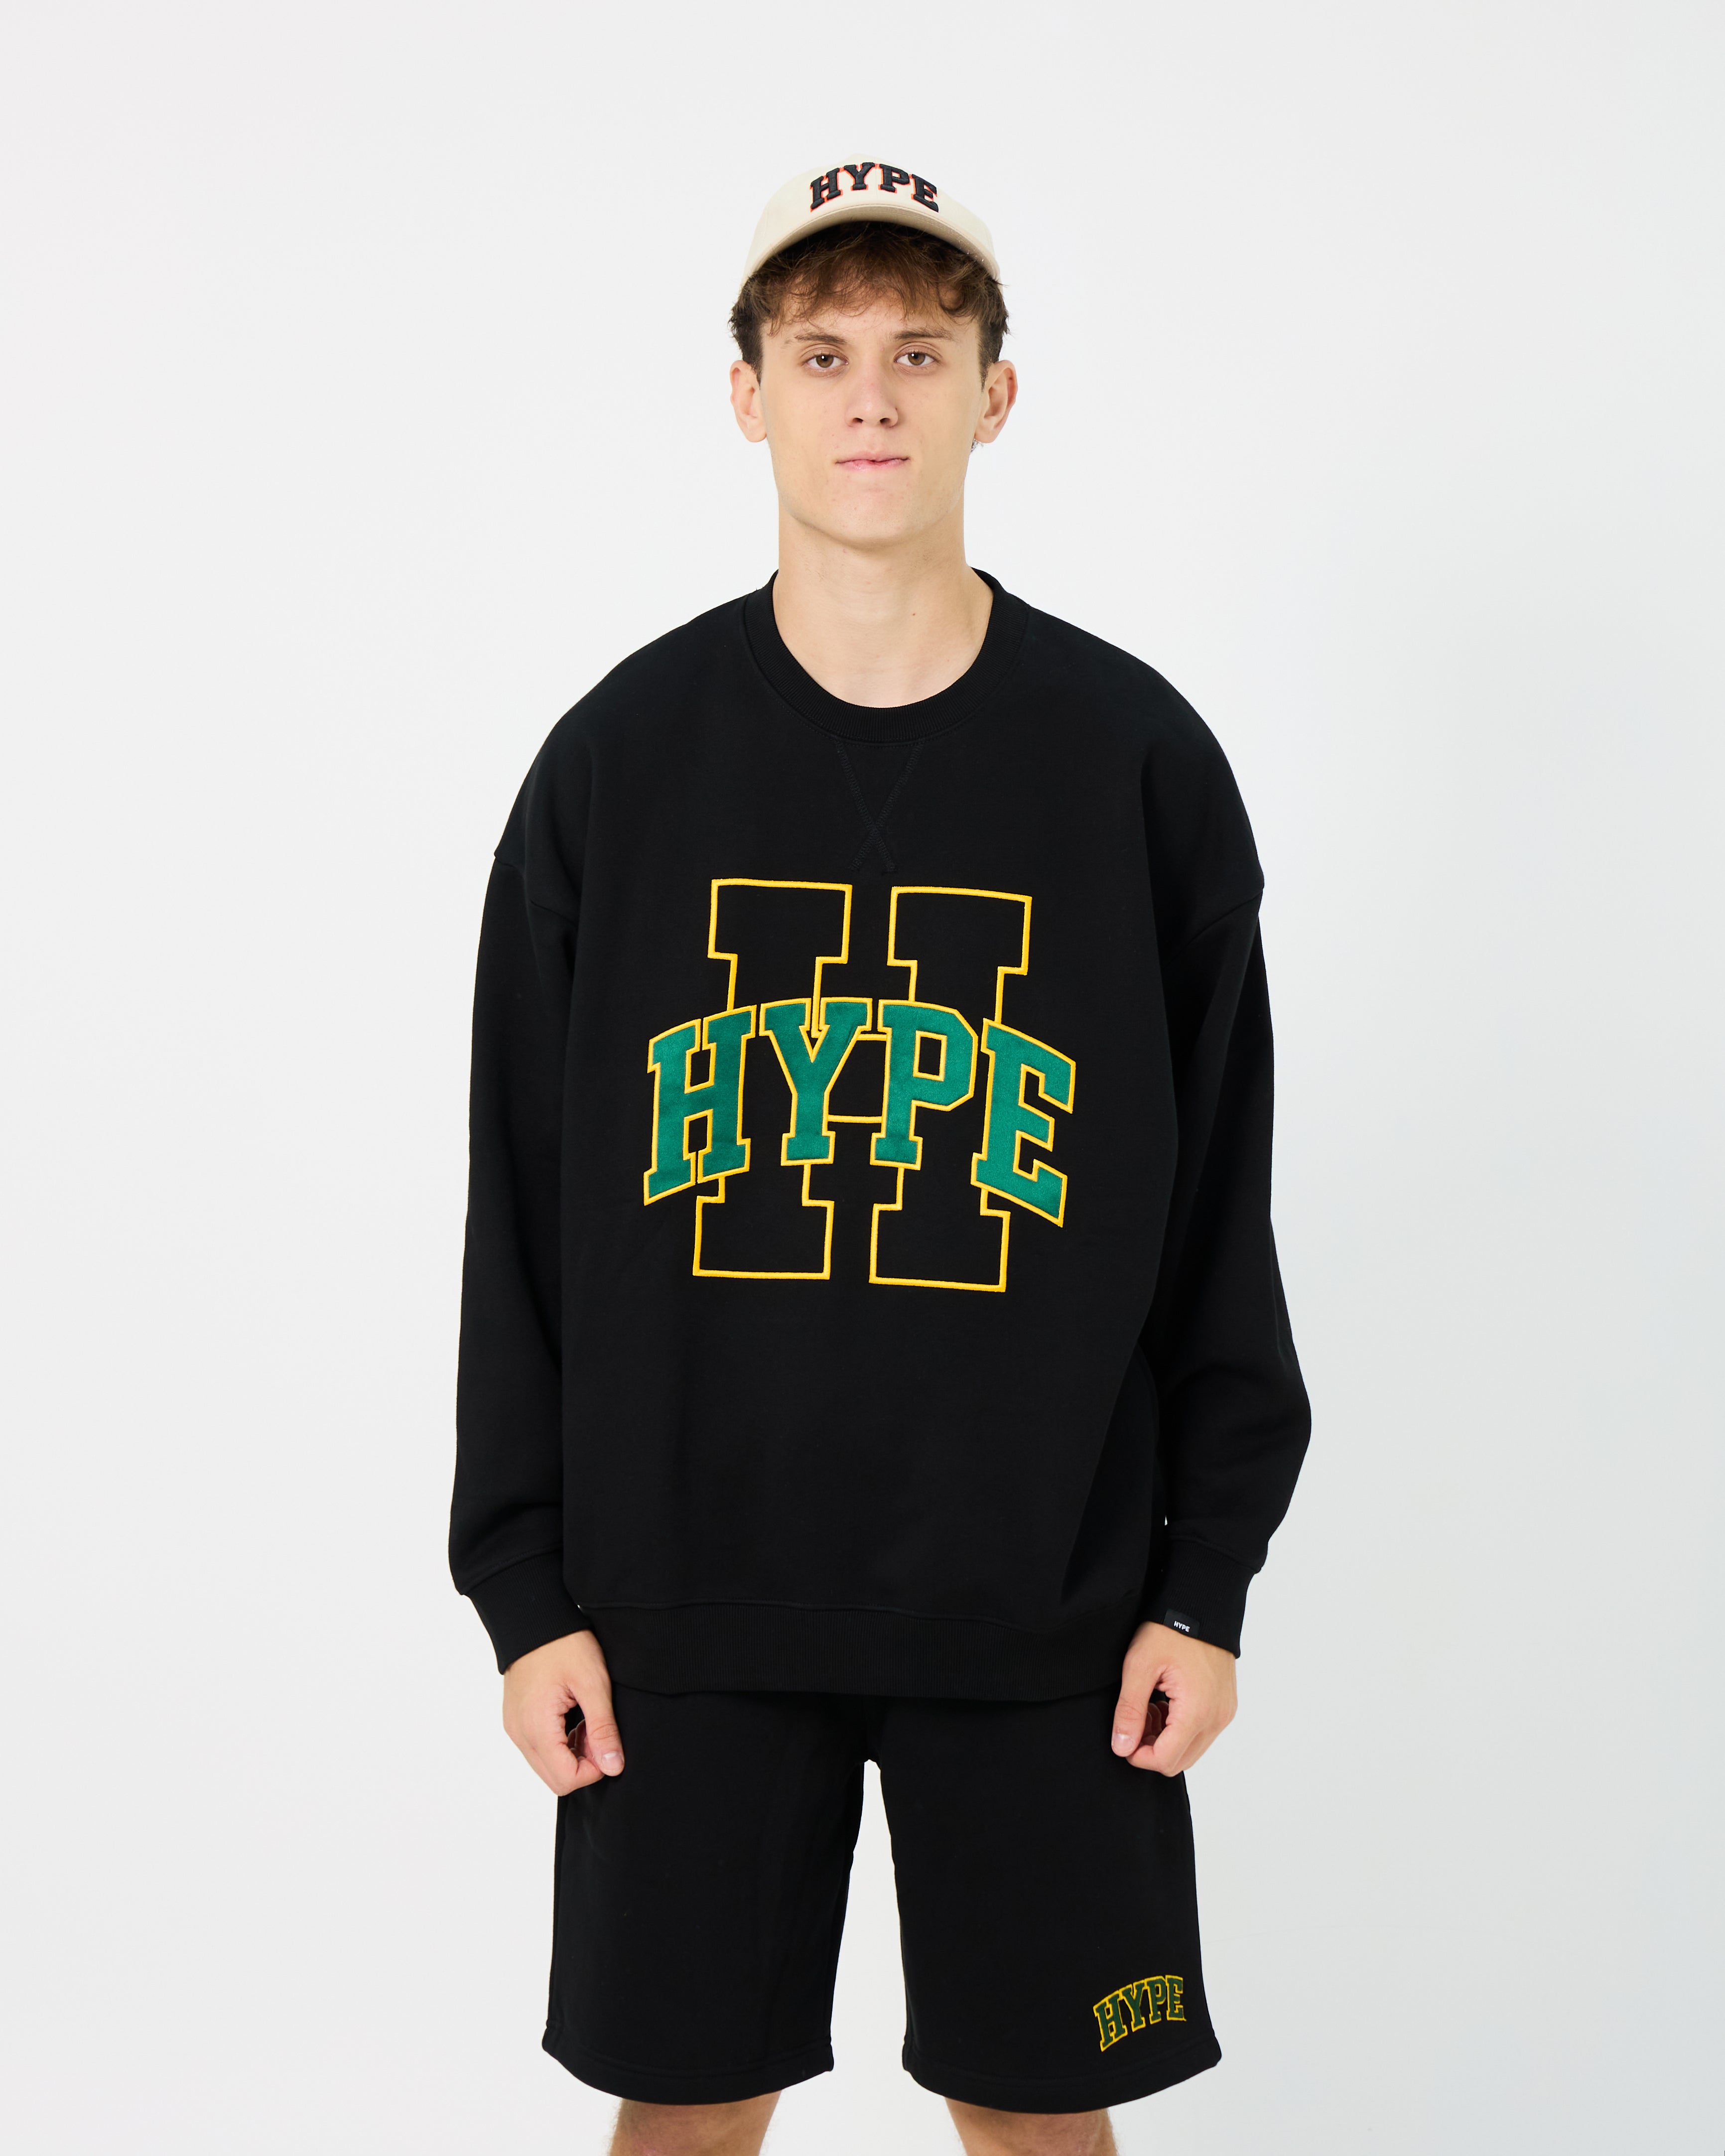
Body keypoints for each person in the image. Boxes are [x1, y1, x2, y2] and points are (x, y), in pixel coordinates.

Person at [449, 160, 1310, 2156]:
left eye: (921, 353)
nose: (870, 397)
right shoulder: (618, 764)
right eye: (822, 351)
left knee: (1039, 2117)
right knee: (685, 2111)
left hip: (1048, 1604)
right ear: (743, 393)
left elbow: (1216, 1205)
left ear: (995, 395)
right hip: (679, 1600)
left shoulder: (1132, 762)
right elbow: (522, 1209)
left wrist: (1204, 1583)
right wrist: (524, 1585)